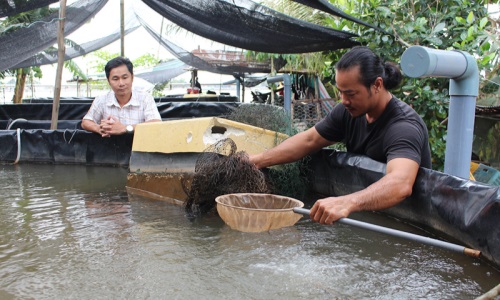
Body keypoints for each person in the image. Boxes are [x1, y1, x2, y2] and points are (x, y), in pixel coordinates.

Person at [250, 46, 431, 225]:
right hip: (365, 213)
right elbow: (309, 140)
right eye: (341, 92)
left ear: (377, 85)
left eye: (351, 93)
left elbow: (400, 183)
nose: (344, 100)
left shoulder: (403, 127)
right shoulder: (347, 112)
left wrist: (346, 202)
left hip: (404, 223)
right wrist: (257, 161)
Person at [81, 57, 161, 137]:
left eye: (125, 77)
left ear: (132, 78)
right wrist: (99, 129)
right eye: (115, 79)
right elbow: (86, 122)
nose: (121, 83)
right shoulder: (101, 100)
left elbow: (156, 123)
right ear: (108, 81)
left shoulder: (145, 98)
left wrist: (125, 128)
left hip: (140, 148)